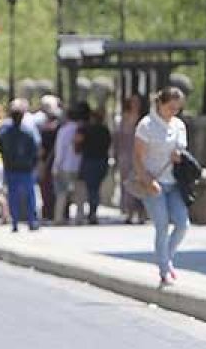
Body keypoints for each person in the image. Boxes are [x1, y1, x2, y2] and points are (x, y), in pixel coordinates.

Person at [135, 87, 191, 287]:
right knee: (162, 225)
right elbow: (138, 158)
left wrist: (179, 157)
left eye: (177, 109)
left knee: (183, 224)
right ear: (160, 104)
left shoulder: (179, 126)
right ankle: (164, 270)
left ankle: (166, 257)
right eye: (170, 107)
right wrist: (148, 181)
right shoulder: (146, 125)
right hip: (153, 182)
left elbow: (182, 152)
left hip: (174, 183)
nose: (173, 112)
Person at [0, 98, 42, 232]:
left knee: (13, 196)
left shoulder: (5, 132)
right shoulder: (28, 132)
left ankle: (15, 222)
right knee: (30, 195)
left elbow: (0, 148)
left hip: (11, 168)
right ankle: (31, 221)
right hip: (26, 168)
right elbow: (35, 149)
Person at [52, 103, 87, 225]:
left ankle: (59, 217)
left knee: (62, 192)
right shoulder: (81, 130)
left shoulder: (63, 130)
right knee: (79, 193)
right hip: (79, 165)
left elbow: (60, 150)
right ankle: (80, 216)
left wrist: (56, 165)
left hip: (65, 165)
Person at [114, 94, 147, 224]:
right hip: (125, 156)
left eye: (137, 102)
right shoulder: (123, 119)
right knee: (127, 184)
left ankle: (141, 213)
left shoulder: (144, 120)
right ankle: (129, 212)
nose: (135, 104)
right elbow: (117, 139)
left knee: (141, 183)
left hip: (141, 156)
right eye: (133, 102)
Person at [77, 107, 113, 225]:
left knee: (91, 188)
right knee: (96, 188)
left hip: (90, 161)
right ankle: (93, 211)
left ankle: (92, 212)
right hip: (102, 161)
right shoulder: (105, 130)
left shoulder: (87, 129)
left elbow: (78, 143)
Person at [33, 96, 62, 222]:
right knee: (55, 189)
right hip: (58, 162)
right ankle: (54, 212)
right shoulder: (60, 128)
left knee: (47, 189)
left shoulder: (44, 129)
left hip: (48, 162)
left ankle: (48, 212)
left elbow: (42, 149)